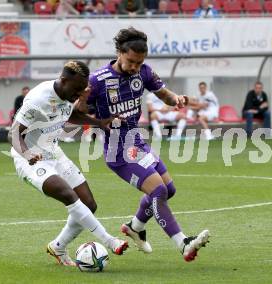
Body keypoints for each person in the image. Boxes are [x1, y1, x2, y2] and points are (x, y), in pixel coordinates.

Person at [85, 27, 209, 262]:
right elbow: (75, 114)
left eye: (139, 63)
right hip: (118, 152)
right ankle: (183, 243)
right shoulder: (97, 81)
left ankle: (136, 226)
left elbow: (163, 94)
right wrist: (100, 122)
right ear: (119, 53)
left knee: (168, 190)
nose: (135, 67)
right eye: (131, 61)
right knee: (158, 190)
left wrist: (176, 99)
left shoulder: (143, 73)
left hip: (138, 144)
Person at [9, 61, 128, 266]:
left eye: (82, 90)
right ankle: (110, 240)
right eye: (76, 90)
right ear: (63, 80)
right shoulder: (38, 100)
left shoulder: (67, 93)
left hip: (54, 153)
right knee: (69, 196)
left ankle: (58, 246)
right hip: (30, 159)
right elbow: (13, 133)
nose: (78, 95)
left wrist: (99, 122)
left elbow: (70, 113)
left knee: (89, 204)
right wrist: (27, 154)